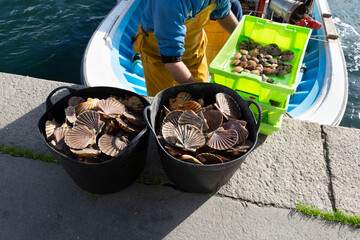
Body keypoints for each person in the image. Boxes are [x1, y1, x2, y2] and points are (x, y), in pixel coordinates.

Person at [134, 0, 241, 96]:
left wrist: (241, 38)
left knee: (203, 93)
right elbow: (172, 61)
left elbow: (223, 14)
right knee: (167, 102)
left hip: (194, 49)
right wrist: (197, 91)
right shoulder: (169, 3)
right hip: (159, 55)